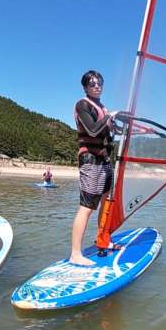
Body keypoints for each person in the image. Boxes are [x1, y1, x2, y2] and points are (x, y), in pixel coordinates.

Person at [70, 70, 120, 266]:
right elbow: (92, 129)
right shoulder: (83, 105)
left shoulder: (102, 108)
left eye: (99, 83)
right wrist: (108, 117)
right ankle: (75, 253)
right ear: (85, 87)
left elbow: (108, 135)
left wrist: (115, 123)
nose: (97, 86)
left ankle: (103, 240)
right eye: (92, 84)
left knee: (106, 202)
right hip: (90, 160)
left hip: (105, 160)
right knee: (87, 207)